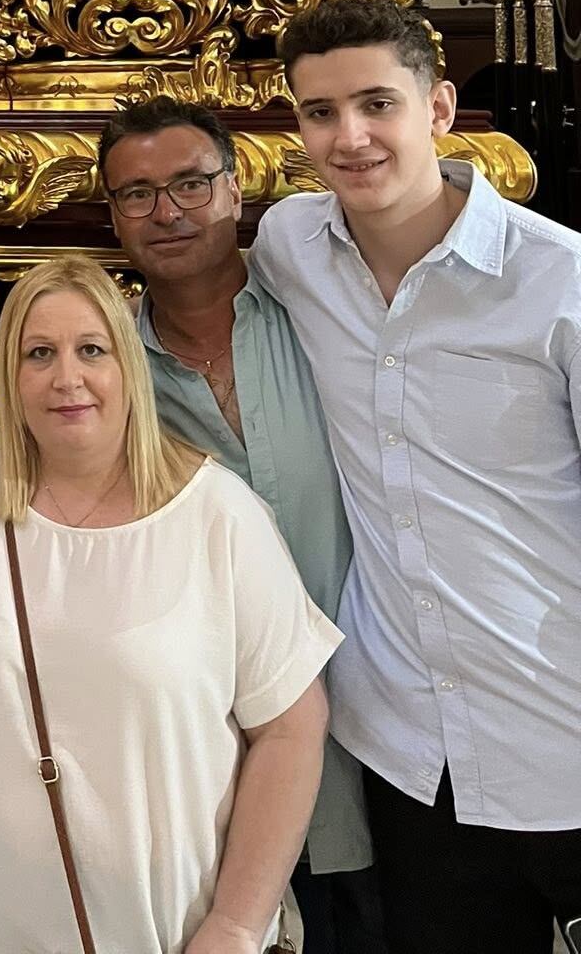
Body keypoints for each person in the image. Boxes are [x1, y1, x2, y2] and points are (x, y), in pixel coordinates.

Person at [250, 0, 581, 954]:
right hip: (409, 757)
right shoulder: (291, 249)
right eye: (320, 112)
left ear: (437, 109)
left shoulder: (557, 281)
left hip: (561, 731)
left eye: (376, 104)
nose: (349, 137)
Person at [0, 253, 338, 954]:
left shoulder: (218, 517)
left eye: (92, 349)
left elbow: (292, 729)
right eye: (39, 353)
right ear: (9, 376)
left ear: (129, 367)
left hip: (174, 929)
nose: (67, 378)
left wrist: (236, 925)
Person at [100, 96, 383, 954]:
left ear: (235, 190)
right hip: (216, 765)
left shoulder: (332, 313)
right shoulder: (105, 373)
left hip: (385, 740)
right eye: (138, 194)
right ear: (112, 217)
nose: (168, 212)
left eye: (190, 184)